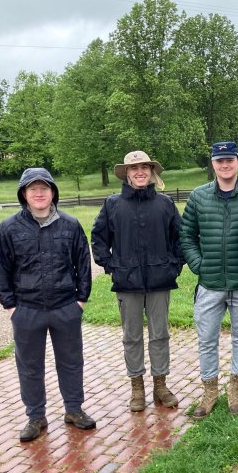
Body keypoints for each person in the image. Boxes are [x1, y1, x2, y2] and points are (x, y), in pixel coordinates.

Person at [0, 167, 95, 442]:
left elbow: (83, 265)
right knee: (29, 366)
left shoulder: (70, 225)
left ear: (53, 192)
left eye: (44, 188)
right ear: (24, 194)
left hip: (65, 307)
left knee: (72, 362)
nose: (39, 193)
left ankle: (74, 410)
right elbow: (1, 270)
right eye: (32, 189)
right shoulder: (8, 228)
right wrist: (11, 307)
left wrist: (80, 301)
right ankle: (35, 416)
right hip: (27, 309)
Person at [91, 150, 183, 412]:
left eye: (144, 167)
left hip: (159, 281)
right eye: (134, 168)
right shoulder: (113, 204)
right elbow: (98, 237)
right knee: (131, 337)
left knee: (160, 335)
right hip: (127, 282)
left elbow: (180, 237)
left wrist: (174, 266)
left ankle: (160, 384)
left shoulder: (165, 204)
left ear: (151, 172)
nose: (140, 172)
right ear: (127, 174)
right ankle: (137, 387)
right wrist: (110, 266)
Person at [180, 141, 238, 419]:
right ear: (212, 164)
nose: (225, 165)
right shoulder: (199, 197)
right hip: (209, 284)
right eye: (219, 161)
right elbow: (186, 235)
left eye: (230, 160)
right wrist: (198, 265)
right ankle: (210, 391)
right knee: (206, 339)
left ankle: (235, 390)